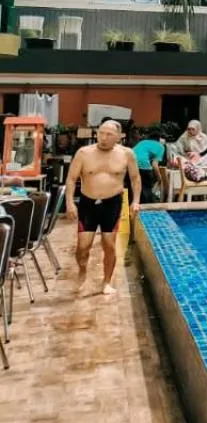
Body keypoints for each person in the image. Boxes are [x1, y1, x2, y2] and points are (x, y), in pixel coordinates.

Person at [65, 119, 140, 296]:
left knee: (109, 245)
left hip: (112, 203)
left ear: (119, 137)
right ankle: (82, 271)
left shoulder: (127, 154)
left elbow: (135, 178)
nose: (103, 138)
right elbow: (71, 179)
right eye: (101, 133)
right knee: (83, 247)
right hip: (88, 203)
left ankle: (106, 281)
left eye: (109, 134)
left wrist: (135, 201)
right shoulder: (84, 153)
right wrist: (69, 202)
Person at [131, 129, 166, 203]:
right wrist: (159, 177)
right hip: (143, 166)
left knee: (133, 188)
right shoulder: (161, 146)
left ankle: (132, 206)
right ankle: (147, 209)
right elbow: (154, 165)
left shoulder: (143, 142)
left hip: (130, 163)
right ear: (159, 139)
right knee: (146, 189)